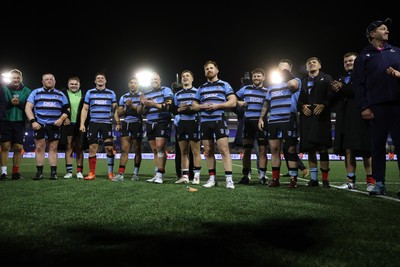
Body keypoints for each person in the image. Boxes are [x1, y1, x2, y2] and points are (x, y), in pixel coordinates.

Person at [353, 18, 400, 195]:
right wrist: (364, 107)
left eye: (387, 28)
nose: (387, 30)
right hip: (376, 108)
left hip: (397, 105)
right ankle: (379, 182)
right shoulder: (363, 57)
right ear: (372, 34)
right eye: (382, 28)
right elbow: (359, 85)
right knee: (378, 146)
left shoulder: (397, 51)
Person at [331, 52, 376, 191]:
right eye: (345, 62)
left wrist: (341, 87)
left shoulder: (364, 75)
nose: (348, 63)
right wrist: (334, 89)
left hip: (360, 116)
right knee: (348, 150)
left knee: (365, 150)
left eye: (351, 60)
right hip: (345, 117)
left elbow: (356, 91)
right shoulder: (342, 78)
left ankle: (371, 181)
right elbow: (336, 98)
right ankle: (350, 181)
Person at [191, 60, 237, 189]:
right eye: (206, 69)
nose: (209, 70)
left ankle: (229, 180)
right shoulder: (201, 88)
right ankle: (212, 179)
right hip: (205, 122)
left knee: (224, 150)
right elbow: (193, 106)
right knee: (208, 151)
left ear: (217, 70)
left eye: (211, 68)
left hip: (219, 120)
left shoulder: (224, 85)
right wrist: (201, 106)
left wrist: (218, 106)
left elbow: (233, 102)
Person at [258, 59, 301, 188]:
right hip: (274, 120)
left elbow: (293, 86)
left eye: (285, 69)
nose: (282, 71)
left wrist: (286, 74)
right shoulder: (272, 86)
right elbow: (266, 104)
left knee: (290, 150)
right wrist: (261, 118)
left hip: (288, 119)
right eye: (280, 69)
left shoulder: (295, 80)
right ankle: (275, 179)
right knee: (274, 150)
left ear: (290, 70)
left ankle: (293, 179)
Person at [25, 73, 70, 180]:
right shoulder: (35, 92)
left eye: (51, 79)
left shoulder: (60, 94)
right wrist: (33, 121)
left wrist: (61, 119)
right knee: (40, 148)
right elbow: (28, 108)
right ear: (42, 81)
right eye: (46, 79)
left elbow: (67, 109)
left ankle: (53, 173)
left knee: (53, 148)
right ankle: (39, 173)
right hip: (39, 124)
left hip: (54, 125)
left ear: (54, 81)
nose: (49, 81)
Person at [298, 57, 334, 188]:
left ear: (320, 65)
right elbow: (297, 99)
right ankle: (313, 179)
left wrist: (324, 105)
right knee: (310, 149)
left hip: (321, 117)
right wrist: (301, 106)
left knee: (323, 149)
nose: (311, 64)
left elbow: (332, 96)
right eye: (309, 63)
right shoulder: (302, 81)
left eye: (314, 62)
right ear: (307, 67)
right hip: (307, 117)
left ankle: (325, 179)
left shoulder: (327, 78)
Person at [79, 72, 118, 180]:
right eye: (98, 78)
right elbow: (85, 109)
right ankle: (92, 173)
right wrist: (82, 124)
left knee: (109, 148)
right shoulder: (90, 92)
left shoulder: (111, 93)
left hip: (106, 123)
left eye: (102, 78)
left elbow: (115, 109)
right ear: (95, 81)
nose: (100, 79)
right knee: (92, 148)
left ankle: (111, 173)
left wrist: (118, 122)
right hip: (93, 123)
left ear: (105, 81)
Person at [235, 68, 269, 185]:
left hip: (261, 122)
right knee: (247, 150)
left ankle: (263, 176)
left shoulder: (267, 91)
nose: (256, 78)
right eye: (254, 76)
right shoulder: (245, 89)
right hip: (248, 121)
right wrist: (239, 102)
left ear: (263, 78)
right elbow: (232, 98)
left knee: (263, 150)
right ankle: (246, 176)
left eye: (259, 76)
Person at [140, 72, 174, 184]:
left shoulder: (166, 90)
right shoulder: (146, 93)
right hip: (150, 122)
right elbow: (142, 112)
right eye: (152, 79)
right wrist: (142, 104)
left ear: (160, 80)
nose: (154, 81)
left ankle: (160, 175)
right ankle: (157, 174)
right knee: (154, 150)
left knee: (160, 147)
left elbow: (169, 106)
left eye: (156, 79)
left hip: (163, 121)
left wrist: (154, 104)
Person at [0, 69, 31, 181]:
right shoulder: (3, 89)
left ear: (21, 79)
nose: (16, 80)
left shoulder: (27, 91)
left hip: (20, 122)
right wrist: (10, 103)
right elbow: (1, 105)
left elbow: (29, 107)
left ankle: (15, 173)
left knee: (18, 148)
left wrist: (19, 104)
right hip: (6, 121)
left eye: (18, 78)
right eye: (14, 78)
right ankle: (3, 173)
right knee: (5, 146)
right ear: (10, 78)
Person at [112, 76, 143, 182]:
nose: (133, 84)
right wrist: (126, 107)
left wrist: (133, 106)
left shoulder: (142, 96)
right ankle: (120, 173)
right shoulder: (123, 97)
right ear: (128, 85)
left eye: (135, 82)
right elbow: (119, 113)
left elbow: (142, 111)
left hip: (137, 123)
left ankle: (135, 173)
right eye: (131, 83)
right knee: (124, 150)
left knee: (137, 149)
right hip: (126, 124)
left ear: (138, 84)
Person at [173, 70, 201, 184]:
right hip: (182, 123)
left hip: (193, 122)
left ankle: (196, 177)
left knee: (195, 151)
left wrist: (192, 108)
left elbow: (200, 107)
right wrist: (179, 109)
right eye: (183, 76)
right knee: (183, 151)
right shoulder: (177, 94)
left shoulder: (197, 91)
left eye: (187, 76)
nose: (185, 78)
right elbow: (174, 110)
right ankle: (185, 176)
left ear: (192, 79)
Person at [60, 77, 87, 179]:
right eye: (72, 84)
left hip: (80, 124)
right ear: (68, 84)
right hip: (68, 124)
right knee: (69, 147)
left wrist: (83, 123)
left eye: (76, 84)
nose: (74, 86)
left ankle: (79, 171)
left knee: (79, 147)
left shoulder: (84, 94)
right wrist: (64, 117)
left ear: (79, 85)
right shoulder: (63, 94)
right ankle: (69, 171)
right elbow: (59, 107)